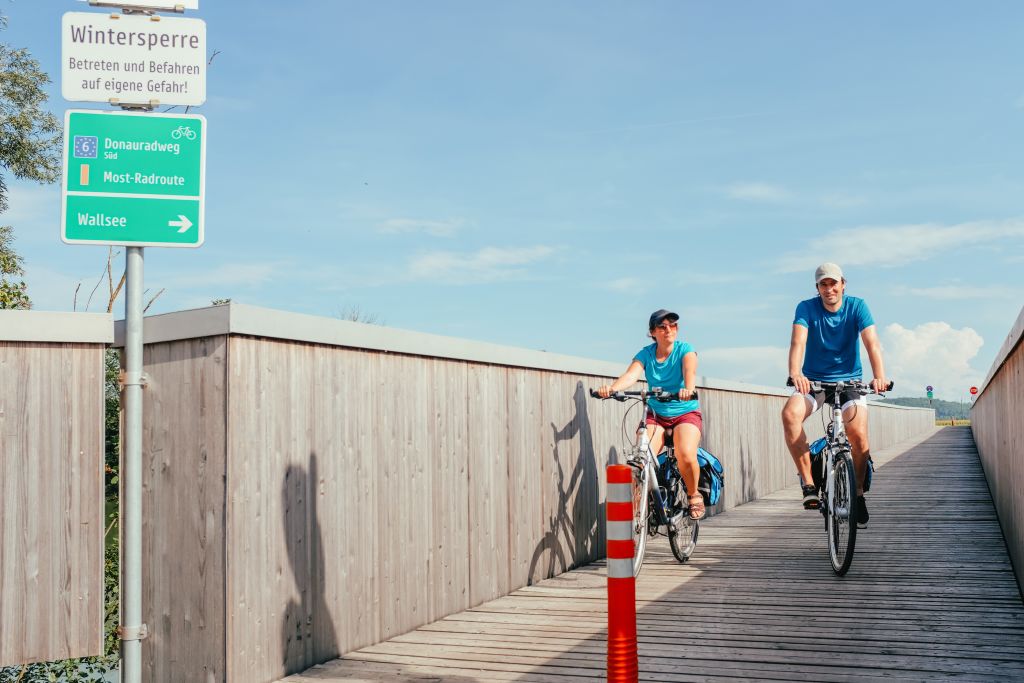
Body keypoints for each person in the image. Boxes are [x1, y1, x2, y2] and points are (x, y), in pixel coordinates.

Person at [781, 263, 888, 528]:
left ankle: (859, 493)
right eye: (823, 285)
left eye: (833, 283)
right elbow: (798, 342)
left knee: (859, 438)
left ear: (843, 284)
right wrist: (796, 373)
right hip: (814, 382)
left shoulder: (857, 306)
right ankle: (808, 483)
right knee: (790, 415)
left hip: (850, 381)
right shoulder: (806, 308)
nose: (829, 289)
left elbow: (871, 342)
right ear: (817, 288)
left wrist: (879, 376)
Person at [597, 309, 705, 519]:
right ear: (652, 332)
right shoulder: (646, 354)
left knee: (685, 453)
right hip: (656, 414)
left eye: (672, 326)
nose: (668, 330)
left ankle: (693, 495)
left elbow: (689, 372)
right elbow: (631, 375)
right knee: (642, 457)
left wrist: (688, 390)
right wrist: (611, 388)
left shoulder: (685, 350)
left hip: (684, 412)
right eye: (662, 327)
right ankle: (639, 507)